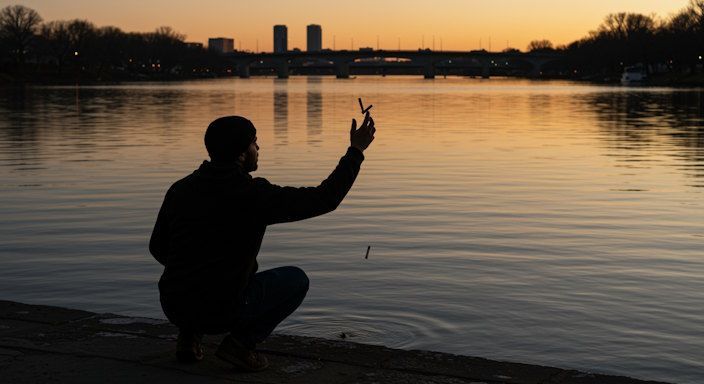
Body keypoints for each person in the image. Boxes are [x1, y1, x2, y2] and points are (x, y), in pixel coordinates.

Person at [149, 112, 376, 372]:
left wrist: (198, 270)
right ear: (242, 153)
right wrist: (356, 151)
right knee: (295, 280)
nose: (259, 148)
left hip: (174, 306)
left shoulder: (180, 189)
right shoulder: (253, 195)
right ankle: (240, 345)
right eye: (255, 143)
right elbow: (324, 198)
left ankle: (189, 336)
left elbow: (158, 248)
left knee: (199, 278)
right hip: (224, 310)